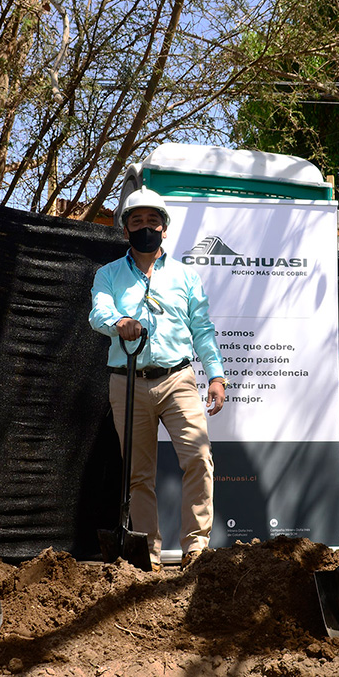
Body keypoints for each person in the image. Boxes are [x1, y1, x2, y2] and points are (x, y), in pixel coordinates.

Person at [89, 187, 227, 568]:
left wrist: (215, 376)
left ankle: (195, 549)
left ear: (165, 229)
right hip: (127, 380)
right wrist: (120, 322)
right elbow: (98, 313)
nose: (145, 228)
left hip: (178, 379)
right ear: (125, 230)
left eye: (153, 221)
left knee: (199, 458)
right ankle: (147, 556)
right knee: (138, 475)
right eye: (137, 221)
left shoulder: (186, 276)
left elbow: (202, 329)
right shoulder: (109, 275)